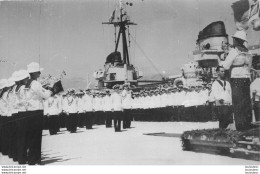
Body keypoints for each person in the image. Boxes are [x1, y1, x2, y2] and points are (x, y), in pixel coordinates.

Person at [221, 30, 252, 131]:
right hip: (246, 78)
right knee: (246, 102)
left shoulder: (234, 51)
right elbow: (249, 66)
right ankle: (247, 124)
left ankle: (240, 126)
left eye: (233, 39)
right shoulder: (247, 51)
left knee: (238, 103)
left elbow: (225, 66)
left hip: (237, 79)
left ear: (236, 40)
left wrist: (222, 62)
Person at [24, 62, 52, 165]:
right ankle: (35, 160)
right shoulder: (35, 83)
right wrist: (51, 89)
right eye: (38, 72)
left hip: (29, 111)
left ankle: (32, 159)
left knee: (32, 136)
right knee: (36, 137)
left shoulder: (27, 83)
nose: (40, 74)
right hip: (36, 111)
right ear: (35, 73)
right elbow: (45, 96)